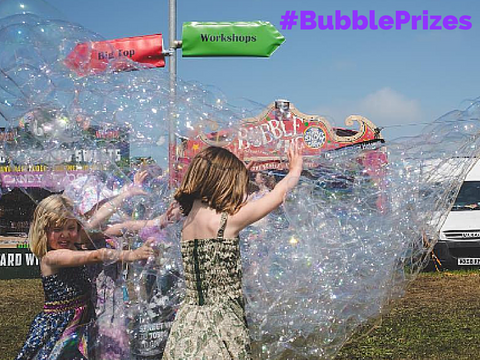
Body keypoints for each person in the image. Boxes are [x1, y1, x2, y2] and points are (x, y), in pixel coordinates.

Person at [162, 143, 303, 360]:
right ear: (222, 183)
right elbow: (276, 196)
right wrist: (294, 171)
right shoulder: (225, 222)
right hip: (220, 327)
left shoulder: (189, 219)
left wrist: (238, 171)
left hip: (188, 325)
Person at [15, 194, 155, 360]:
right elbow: (96, 255)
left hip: (84, 318)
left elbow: (118, 226)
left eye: (70, 228)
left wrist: (156, 221)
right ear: (43, 230)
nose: (65, 235)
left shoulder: (76, 244)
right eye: (57, 229)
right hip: (61, 324)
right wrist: (131, 254)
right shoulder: (51, 258)